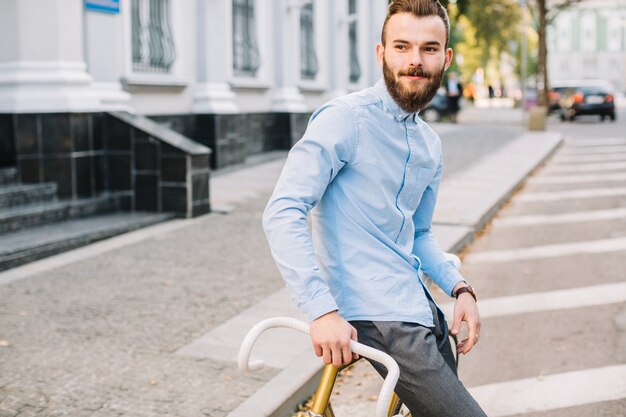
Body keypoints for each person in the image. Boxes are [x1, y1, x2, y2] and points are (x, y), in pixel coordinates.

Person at [262, 1, 486, 415]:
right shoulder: (344, 120)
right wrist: (321, 310)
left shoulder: (428, 143)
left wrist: (460, 288)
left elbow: (419, 234)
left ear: (446, 58)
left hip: (420, 310)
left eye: (429, 49)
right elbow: (284, 210)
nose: (415, 61)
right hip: (378, 317)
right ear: (381, 52)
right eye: (402, 47)